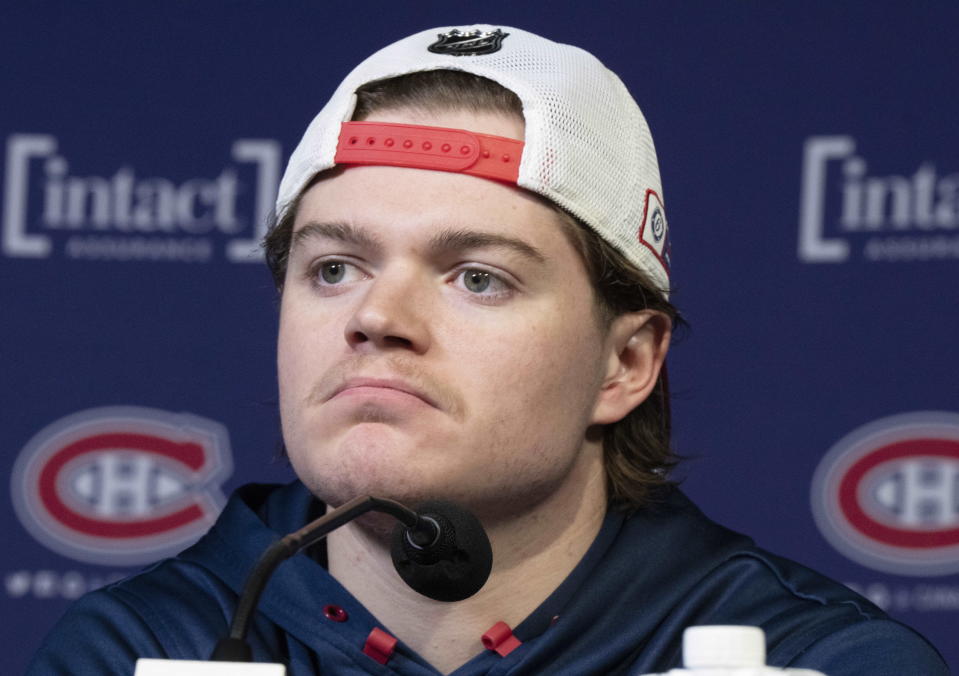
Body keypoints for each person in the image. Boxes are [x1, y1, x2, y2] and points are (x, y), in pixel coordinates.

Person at [29, 25, 948, 676]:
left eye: (476, 277)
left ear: (625, 364)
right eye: (335, 267)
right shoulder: (137, 651)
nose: (375, 318)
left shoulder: (814, 661)